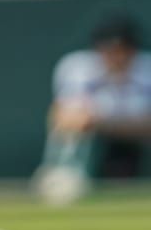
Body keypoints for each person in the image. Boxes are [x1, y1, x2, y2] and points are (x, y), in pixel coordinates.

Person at [33, 17, 151, 204]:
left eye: (123, 50)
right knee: (72, 133)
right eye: (109, 50)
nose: (116, 56)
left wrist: (106, 124)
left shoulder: (147, 70)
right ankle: (63, 178)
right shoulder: (77, 66)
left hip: (133, 141)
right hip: (91, 141)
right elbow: (64, 117)